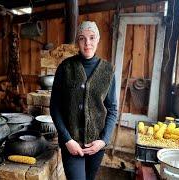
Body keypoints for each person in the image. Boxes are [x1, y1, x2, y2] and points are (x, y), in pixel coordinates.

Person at [50, 21, 117, 180]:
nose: (88, 43)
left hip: (96, 146)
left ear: (98, 39)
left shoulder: (107, 71)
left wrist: (103, 141)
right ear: (77, 42)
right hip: (71, 145)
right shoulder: (65, 68)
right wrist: (67, 140)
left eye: (92, 38)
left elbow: (112, 109)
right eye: (82, 38)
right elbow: (55, 107)